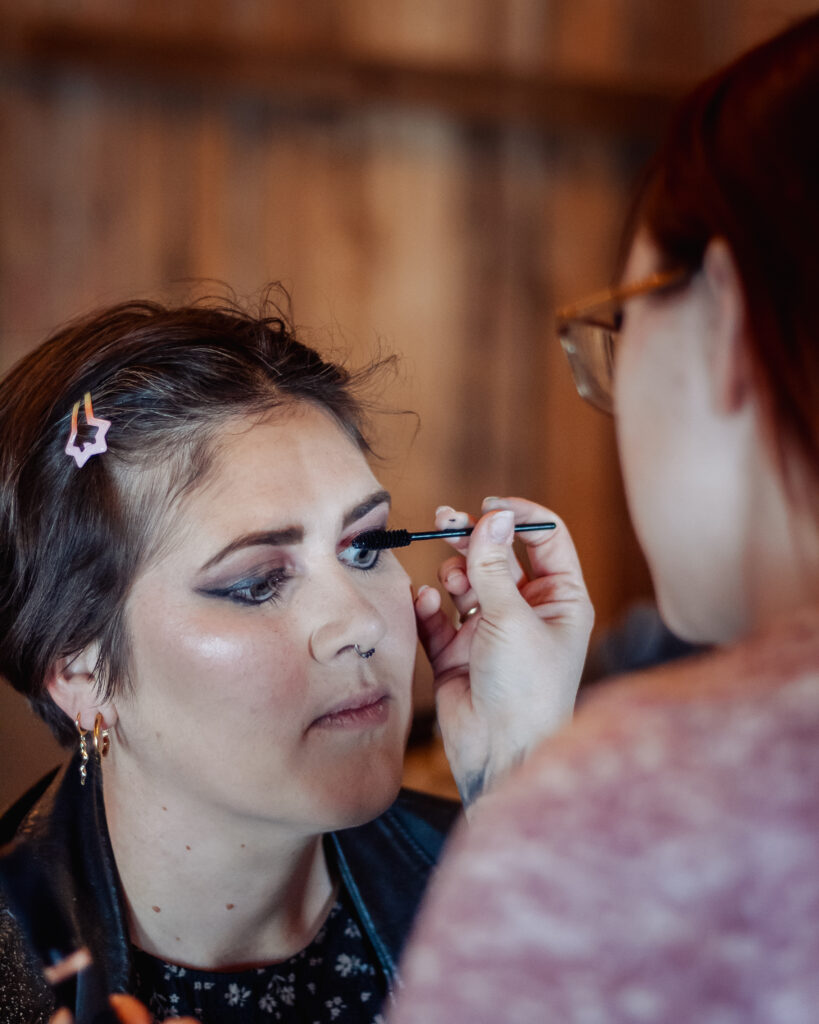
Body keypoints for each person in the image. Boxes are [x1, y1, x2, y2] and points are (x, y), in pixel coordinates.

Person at [391, 12, 819, 1024]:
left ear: (732, 326)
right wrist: (533, 774)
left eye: (620, 326)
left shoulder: (643, 805)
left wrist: (556, 799)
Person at [0, 295, 592, 1024]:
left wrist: (526, 781)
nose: (358, 624)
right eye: (256, 583)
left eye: (364, 546)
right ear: (81, 674)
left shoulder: (505, 872)